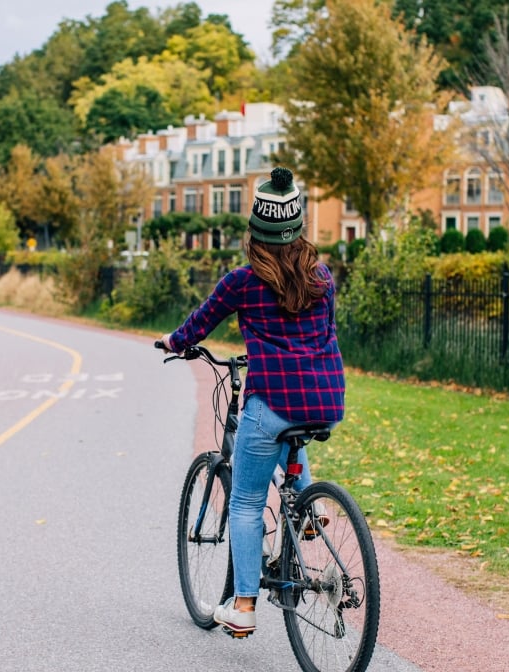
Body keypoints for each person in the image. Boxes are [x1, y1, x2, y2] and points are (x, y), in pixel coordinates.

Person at [160, 167, 345, 635]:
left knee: (244, 501)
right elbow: (325, 334)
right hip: (325, 398)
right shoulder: (321, 277)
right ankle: (310, 505)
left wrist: (174, 342)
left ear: (256, 231)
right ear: (298, 227)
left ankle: (243, 606)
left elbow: (196, 327)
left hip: (273, 403)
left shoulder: (242, 282)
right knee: (291, 423)